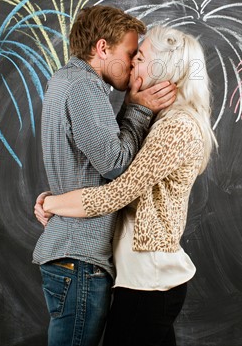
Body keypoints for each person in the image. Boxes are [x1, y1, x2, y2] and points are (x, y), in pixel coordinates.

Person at [35, 25, 217, 346]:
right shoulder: (161, 120)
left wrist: (51, 204)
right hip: (142, 281)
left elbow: (116, 193)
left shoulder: (176, 128)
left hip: (150, 283)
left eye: (140, 57)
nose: (131, 63)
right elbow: (114, 161)